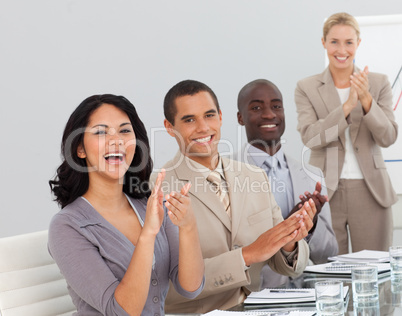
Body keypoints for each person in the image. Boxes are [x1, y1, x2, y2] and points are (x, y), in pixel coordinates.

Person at [153, 79, 317, 314]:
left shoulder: (254, 176)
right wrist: (247, 255)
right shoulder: (157, 189)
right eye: (189, 120)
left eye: (209, 115)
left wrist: (289, 240)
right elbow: (163, 285)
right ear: (169, 127)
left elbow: (287, 267)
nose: (203, 128)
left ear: (220, 117)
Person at [48, 94, 204, 315]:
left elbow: (190, 288)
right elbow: (120, 310)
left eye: (124, 130)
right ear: (79, 149)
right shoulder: (67, 226)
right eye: (101, 132)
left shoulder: (148, 205)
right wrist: (148, 234)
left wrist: (188, 227)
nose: (117, 141)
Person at [295, 12, 398, 254]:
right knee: (330, 271)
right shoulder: (306, 87)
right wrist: (348, 106)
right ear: (324, 43)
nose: (342, 50)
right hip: (327, 192)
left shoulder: (378, 82)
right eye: (334, 42)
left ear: (358, 43)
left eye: (349, 42)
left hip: (371, 191)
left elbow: (388, 137)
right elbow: (311, 138)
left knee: (373, 270)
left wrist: (366, 100)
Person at [236, 79, 338, 288]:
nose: (269, 114)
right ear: (240, 118)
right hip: (250, 298)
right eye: (256, 107)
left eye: (276, 106)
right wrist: (286, 229)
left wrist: (311, 223)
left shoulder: (312, 176)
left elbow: (328, 256)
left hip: (303, 297)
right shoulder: (224, 174)